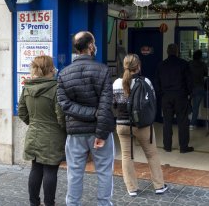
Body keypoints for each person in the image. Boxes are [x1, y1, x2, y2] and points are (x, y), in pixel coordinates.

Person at [57, 31, 115, 206]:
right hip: (99, 131)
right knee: (104, 171)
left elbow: (64, 105)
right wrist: (101, 133)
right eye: (94, 43)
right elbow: (105, 106)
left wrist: (89, 113)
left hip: (75, 133)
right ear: (90, 46)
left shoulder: (63, 73)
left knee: (74, 173)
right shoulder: (103, 70)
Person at [112, 54, 168, 197]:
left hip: (122, 126)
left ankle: (132, 189)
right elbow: (152, 101)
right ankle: (159, 186)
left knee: (126, 156)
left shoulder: (116, 83)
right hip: (142, 125)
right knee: (151, 154)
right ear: (138, 66)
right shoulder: (146, 82)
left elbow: (113, 105)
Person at [18, 55, 66, 206]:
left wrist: (33, 123)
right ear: (51, 69)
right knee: (51, 171)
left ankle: (34, 203)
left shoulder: (27, 87)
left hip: (33, 134)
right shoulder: (56, 88)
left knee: (36, 169)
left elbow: (21, 112)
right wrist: (64, 130)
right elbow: (61, 116)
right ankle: (49, 203)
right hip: (53, 137)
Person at [155, 44, 194, 153]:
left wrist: (161, 94)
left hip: (166, 97)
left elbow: (157, 83)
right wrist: (189, 93)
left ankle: (167, 146)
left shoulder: (161, 65)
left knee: (167, 122)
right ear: (177, 52)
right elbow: (189, 81)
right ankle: (183, 147)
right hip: (181, 97)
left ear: (167, 52)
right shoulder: (184, 64)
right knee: (183, 122)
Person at [189, 50, 208, 130]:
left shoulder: (189, 64)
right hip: (199, 88)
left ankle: (186, 121)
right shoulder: (203, 64)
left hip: (190, 88)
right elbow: (206, 73)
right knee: (196, 107)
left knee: (187, 105)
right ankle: (192, 124)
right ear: (200, 56)